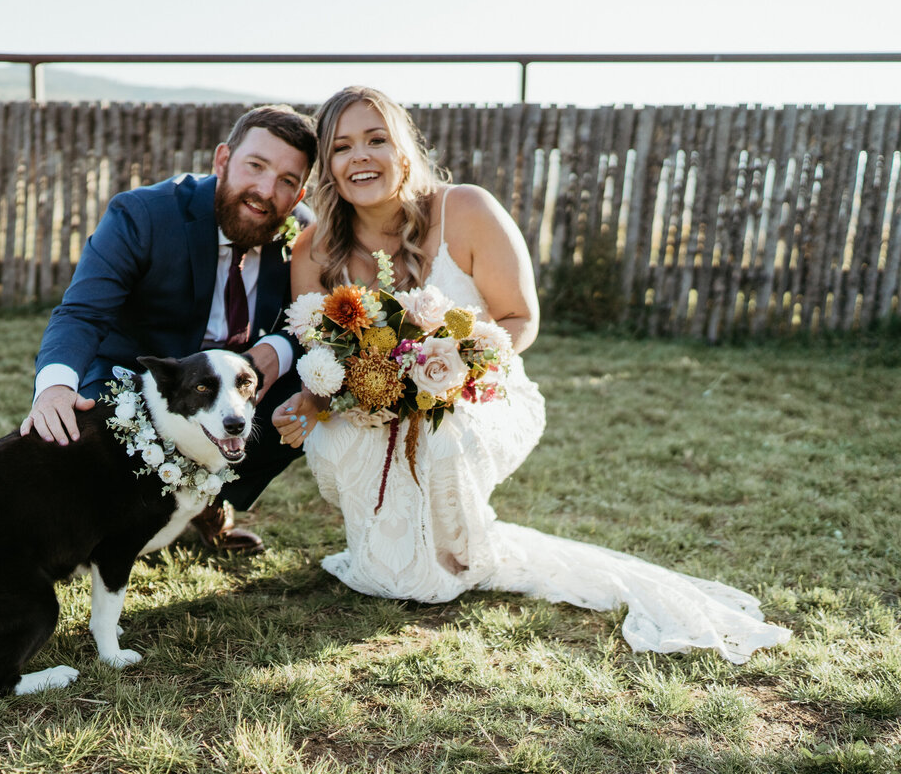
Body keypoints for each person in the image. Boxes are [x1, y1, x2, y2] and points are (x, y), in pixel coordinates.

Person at [272, 86, 790, 663]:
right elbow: (322, 356)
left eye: (376, 140)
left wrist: (453, 372)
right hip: (379, 405)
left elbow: (520, 319)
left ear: (405, 149)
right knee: (342, 450)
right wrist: (311, 407)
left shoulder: (465, 208)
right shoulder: (316, 247)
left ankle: (458, 554)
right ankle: (398, 559)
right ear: (328, 166)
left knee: (442, 437)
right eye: (342, 147)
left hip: (480, 390)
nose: (360, 157)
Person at [23, 105, 317, 554]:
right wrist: (55, 389)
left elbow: (316, 322)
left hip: (234, 391)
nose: (264, 190)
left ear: (298, 196)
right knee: (98, 481)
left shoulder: (303, 236)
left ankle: (209, 500)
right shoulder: (144, 214)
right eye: (255, 166)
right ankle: (147, 511)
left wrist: (278, 346)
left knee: (315, 384)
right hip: (142, 384)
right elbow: (83, 313)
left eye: (286, 181)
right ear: (223, 160)